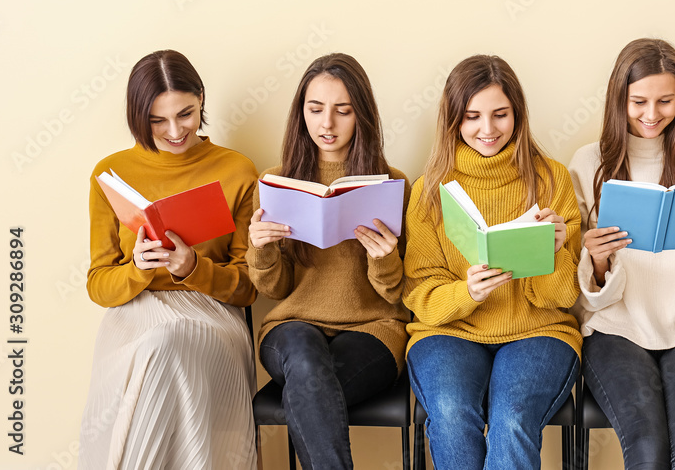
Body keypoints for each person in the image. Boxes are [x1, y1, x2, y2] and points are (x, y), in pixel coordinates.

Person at [80, 50, 258, 470]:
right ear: (137, 117)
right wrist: (138, 269)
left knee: (166, 344)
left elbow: (250, 286)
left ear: (201, 99)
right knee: (156, 346)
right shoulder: (110, 174)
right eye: (158, 121)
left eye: (186, 114)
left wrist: (193, 268)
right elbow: (98, 284)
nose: (176, 131)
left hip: (212, 316)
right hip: (132, 319)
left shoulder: (236, 170)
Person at [402, 54, 582, 470]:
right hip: (448, 330)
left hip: (540, 329)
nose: (488, 129)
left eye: (500, 114)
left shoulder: (553, 179)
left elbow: (565, 296)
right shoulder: (429, 190)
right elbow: (420, 294)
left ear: (518, 115)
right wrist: (466, 292)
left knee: (513, 419)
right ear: (453, 120)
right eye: (472, 117)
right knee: (449, 413)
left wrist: (552, 252)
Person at [568, 38, 675, 470]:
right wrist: (598, 260)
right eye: (637, 101)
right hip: (616, 329)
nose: (651, 114)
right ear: (618, 99)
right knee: (647, 450)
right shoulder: (588, 164)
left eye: (665, 101)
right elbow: (588, 297)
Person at [247, 54, 411, 469]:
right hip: (291, 325)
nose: (327, 124)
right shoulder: (274, 181)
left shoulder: (392, 183)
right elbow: (275, 290)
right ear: (300, 113)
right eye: (315, 109)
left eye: (343, 111)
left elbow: (399, 294)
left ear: (362, 116)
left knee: (309, 388)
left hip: (373, 328)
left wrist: (385, 259)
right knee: (304, 361)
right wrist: (262, 247)